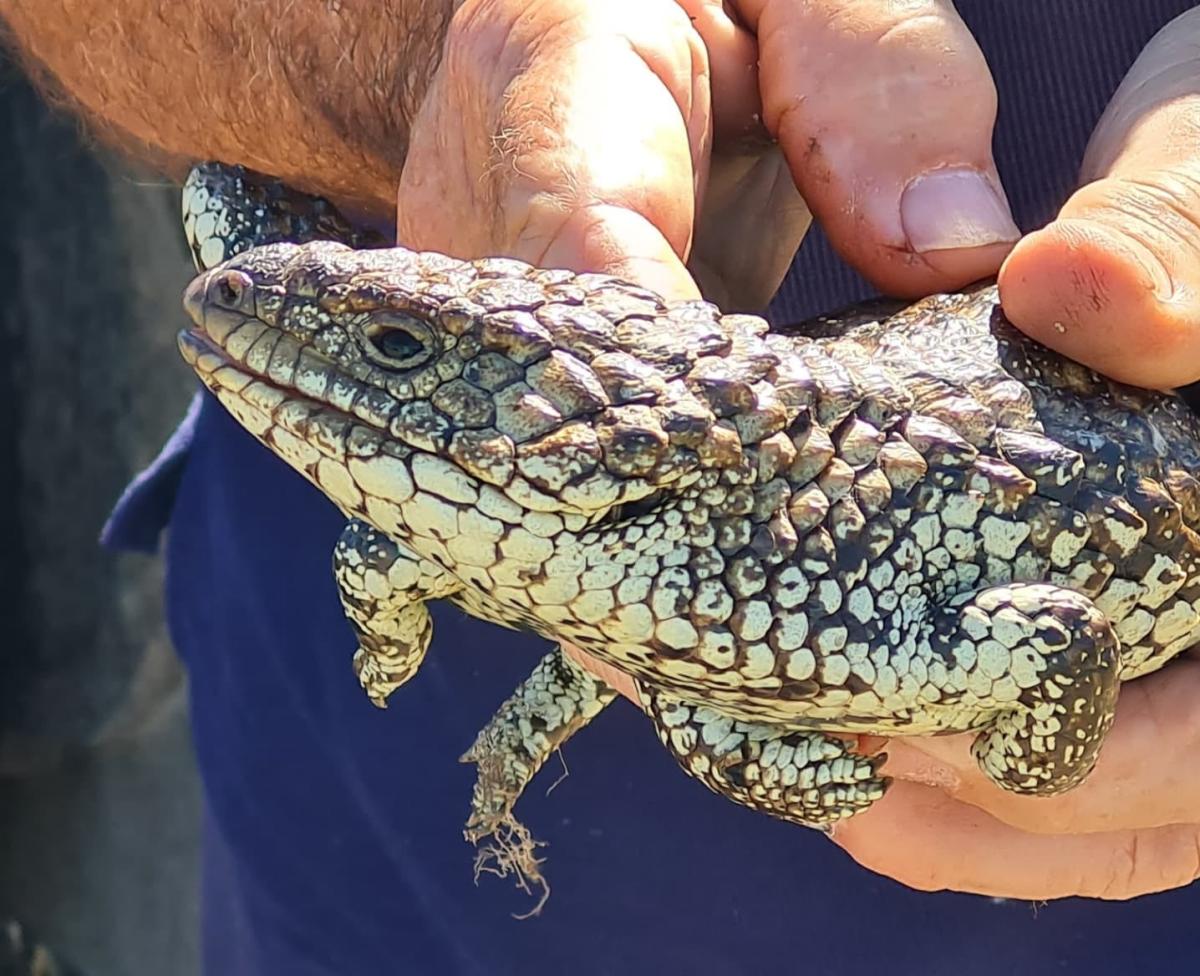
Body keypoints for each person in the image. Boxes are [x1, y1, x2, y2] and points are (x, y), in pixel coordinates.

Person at [3, 0, 1199, 971]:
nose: (236, 299)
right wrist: (433, 54)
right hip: (370, 851)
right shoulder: (597, 520)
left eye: (400, 353)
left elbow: (1052, 645)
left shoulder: (738, 544)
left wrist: (1031, 767)